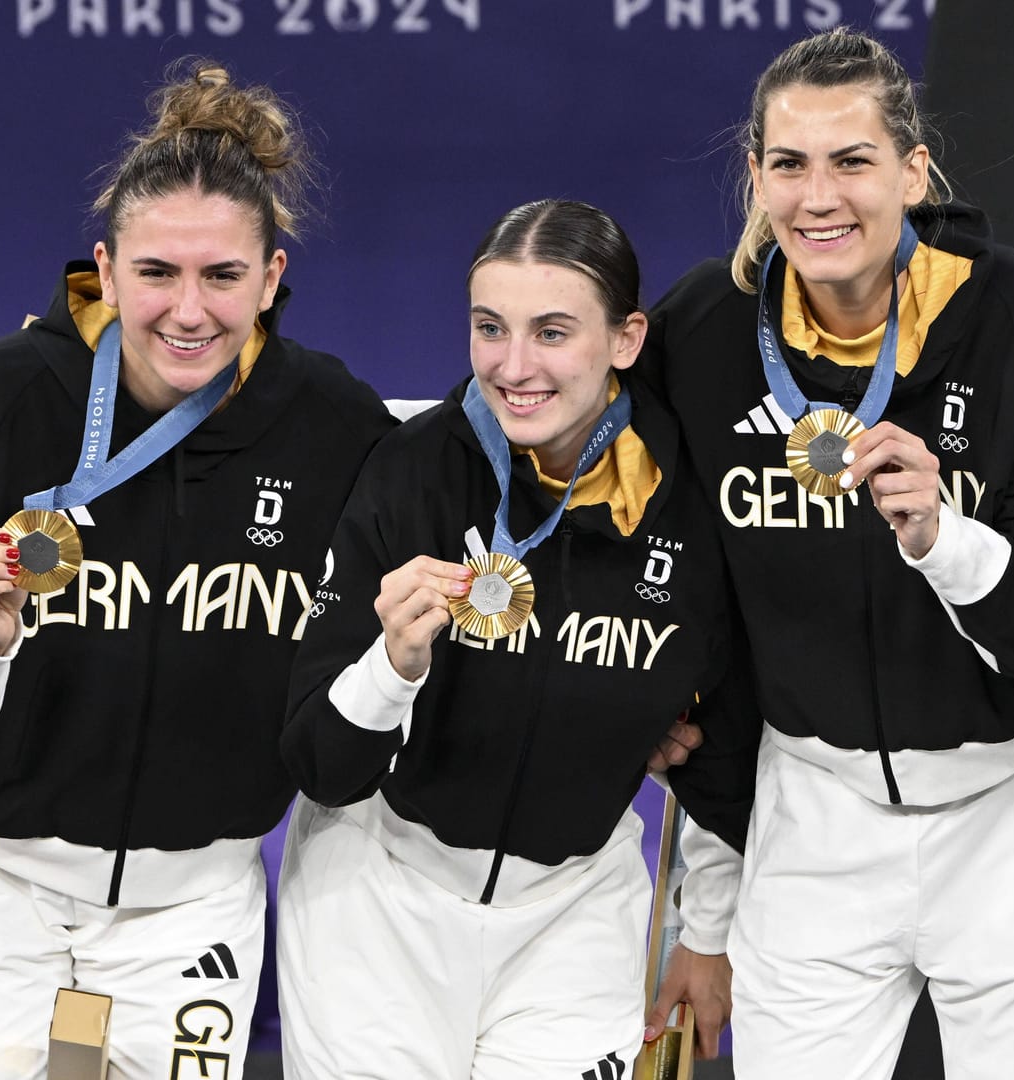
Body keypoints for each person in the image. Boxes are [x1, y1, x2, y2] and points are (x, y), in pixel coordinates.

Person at [0, 59, 398, 1078]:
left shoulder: (336, 429)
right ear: (105, 267)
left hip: (191, 893)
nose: (188, 311)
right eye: (157, 273)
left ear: (271, 278)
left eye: (223, 276)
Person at [639, 27, 1014, 1080]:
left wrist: (947, 539)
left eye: (852, 161)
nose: (820, 198)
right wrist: (703, 914)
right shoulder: (703, 333)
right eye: (789, 164)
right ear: (755, 177)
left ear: (914, 169)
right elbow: (692, 616)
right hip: (811, 820)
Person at [274, 198, 757, 1080]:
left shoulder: (690, 504)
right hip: (378, 904)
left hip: (574, 916)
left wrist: (707, 931)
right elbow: (320, 761)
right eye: (490, 328)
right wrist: (391, 667)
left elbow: (722, 743)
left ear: (626, 339)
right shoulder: (414, 471)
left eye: (552, 331)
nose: (514, 366)